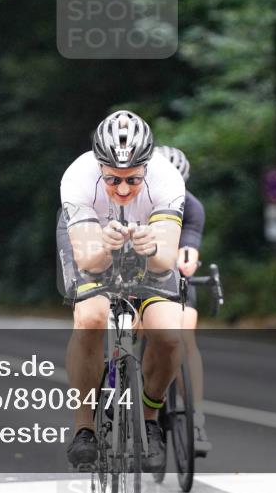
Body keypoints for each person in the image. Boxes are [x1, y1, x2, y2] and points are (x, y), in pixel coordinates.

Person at [57, 111, 185, 471]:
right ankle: (84, 427)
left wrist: (152, 249)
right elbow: (88, 260)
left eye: (133, 179)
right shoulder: (78, 177)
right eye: (113, 179)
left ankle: (149, 418)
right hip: (93, 245)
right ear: (99, 167)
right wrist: (106, 247)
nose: (124, 189)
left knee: (169, 331)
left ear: (148, 167)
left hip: (149, 247)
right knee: (91, 316)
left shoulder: (167, 178)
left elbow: (165, 261)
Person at [155, 145, 212, 456]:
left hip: (173, 278)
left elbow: (188, 251)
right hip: (135, 278)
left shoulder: (192, 207)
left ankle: (195, 417)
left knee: (185, 336)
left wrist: (186, 262)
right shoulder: (134, 200)